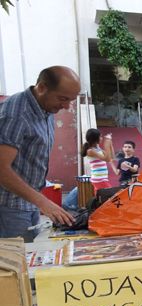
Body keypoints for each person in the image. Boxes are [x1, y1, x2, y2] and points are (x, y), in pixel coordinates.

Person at [0, 66, 80, 240]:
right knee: (16, 262)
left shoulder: (46, 108)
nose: (66, 106)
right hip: (8, 206)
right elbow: (2, 169)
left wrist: (39, 201)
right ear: (42, 88)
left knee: (31, 257)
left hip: (28, 202)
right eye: (63, 99)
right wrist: (43, 202)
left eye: (71, 101)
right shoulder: (16, 113)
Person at [82, 128, 115, 194]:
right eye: (100, 136)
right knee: (111, 197)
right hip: (99, 179)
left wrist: (110, 144)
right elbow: (106, 158)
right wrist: (106, 146)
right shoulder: (90, 151)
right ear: (95, 138)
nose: (101, 138)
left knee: (103, 199)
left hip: (102, 179)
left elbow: (110, 158)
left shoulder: (98, 148)